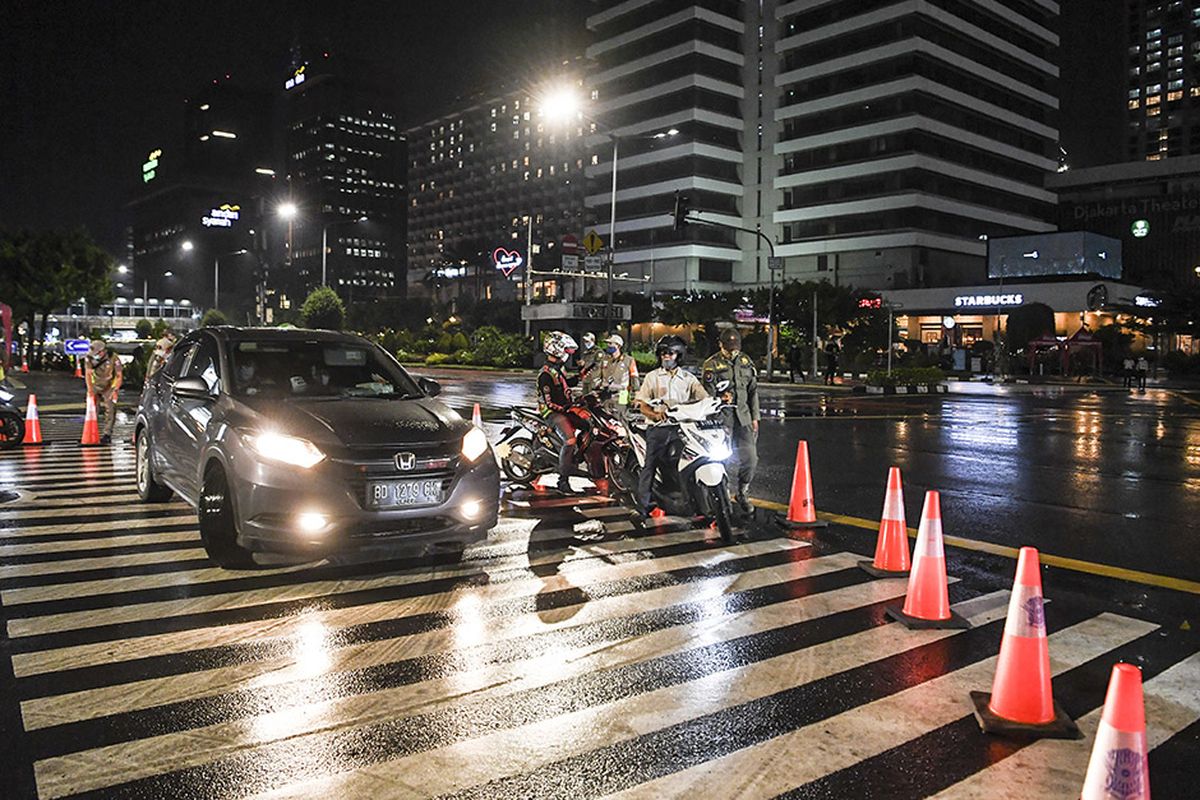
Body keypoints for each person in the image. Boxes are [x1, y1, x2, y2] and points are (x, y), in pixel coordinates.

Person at [635, 335, 708, 518]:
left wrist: (718, 402)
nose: (666, 357)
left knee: (692, 460)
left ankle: (694, 501)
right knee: (649, 465)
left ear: (679, 355)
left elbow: (704, 398)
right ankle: (642, 506)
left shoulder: (689, 379)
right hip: (658, 428)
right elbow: (642, 404)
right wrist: (654, 414)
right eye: (663, 353)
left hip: (682, 429)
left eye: (671, 353)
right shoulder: (652, 377)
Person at [702, 328, 760, 514]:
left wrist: (755, 417)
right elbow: (706, 395)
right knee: (721, 459)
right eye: (728, 348)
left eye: (735, 348)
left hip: (743, 418)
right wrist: (719, 399)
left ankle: (742, 492)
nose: (732, 351)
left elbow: (753, 392)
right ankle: (722, 495)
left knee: (751, 458)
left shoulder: (745, 362)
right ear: (721, 345)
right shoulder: (711, 365)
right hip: (721, 420)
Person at [537, 331, 592, 494]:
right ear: (556, 350)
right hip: (552, 413)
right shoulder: (545, 374)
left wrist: (579, 377)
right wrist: (568, 408)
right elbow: (549, 402)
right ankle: (563, 481)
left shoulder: (557, 370)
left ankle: (575, 460)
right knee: (570, 441)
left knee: (589, 425)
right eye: (567, 351)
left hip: (565, 409)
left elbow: (564, 385)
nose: (569, 355)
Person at [85, 339, 123, 445]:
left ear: (102, 351)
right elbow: (88, 374)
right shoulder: (88, 358)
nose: (94, 356)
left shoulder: (113, 358)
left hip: (109, 385)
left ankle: (107, 434)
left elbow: (119, 375)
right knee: (92, 410)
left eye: (96, 353)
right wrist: (90, 390)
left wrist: (115, 390)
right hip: (95, 385)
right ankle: (92, 432)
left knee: (110, 409)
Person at [594, 334, 639, 418]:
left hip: (622, 394)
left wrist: (636, 395)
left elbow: (634, 377)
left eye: (611, 344)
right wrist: (597, 387)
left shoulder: (628, 360)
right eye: (608, 344)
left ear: (618, 345)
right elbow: (598, 375)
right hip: (605, 394)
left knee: (621, 417)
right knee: (605, 418)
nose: (608, 346)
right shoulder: (604, 359)